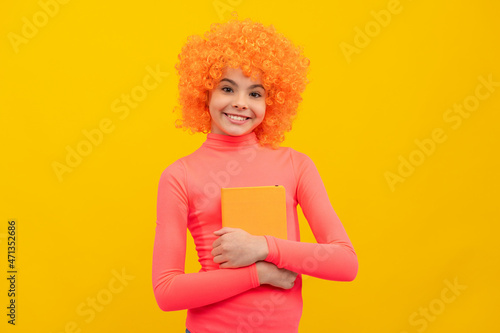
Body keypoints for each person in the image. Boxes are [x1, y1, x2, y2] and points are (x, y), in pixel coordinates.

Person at [152, 16, 358, 333]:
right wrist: (259, 274)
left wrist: (265, 247)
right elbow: (166, 292)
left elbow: (345, 263)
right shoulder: (180, 176)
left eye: (255, 93)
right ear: (204, 92)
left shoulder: (296, 165)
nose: (239, 103)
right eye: (226, 88)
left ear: (271, 101)